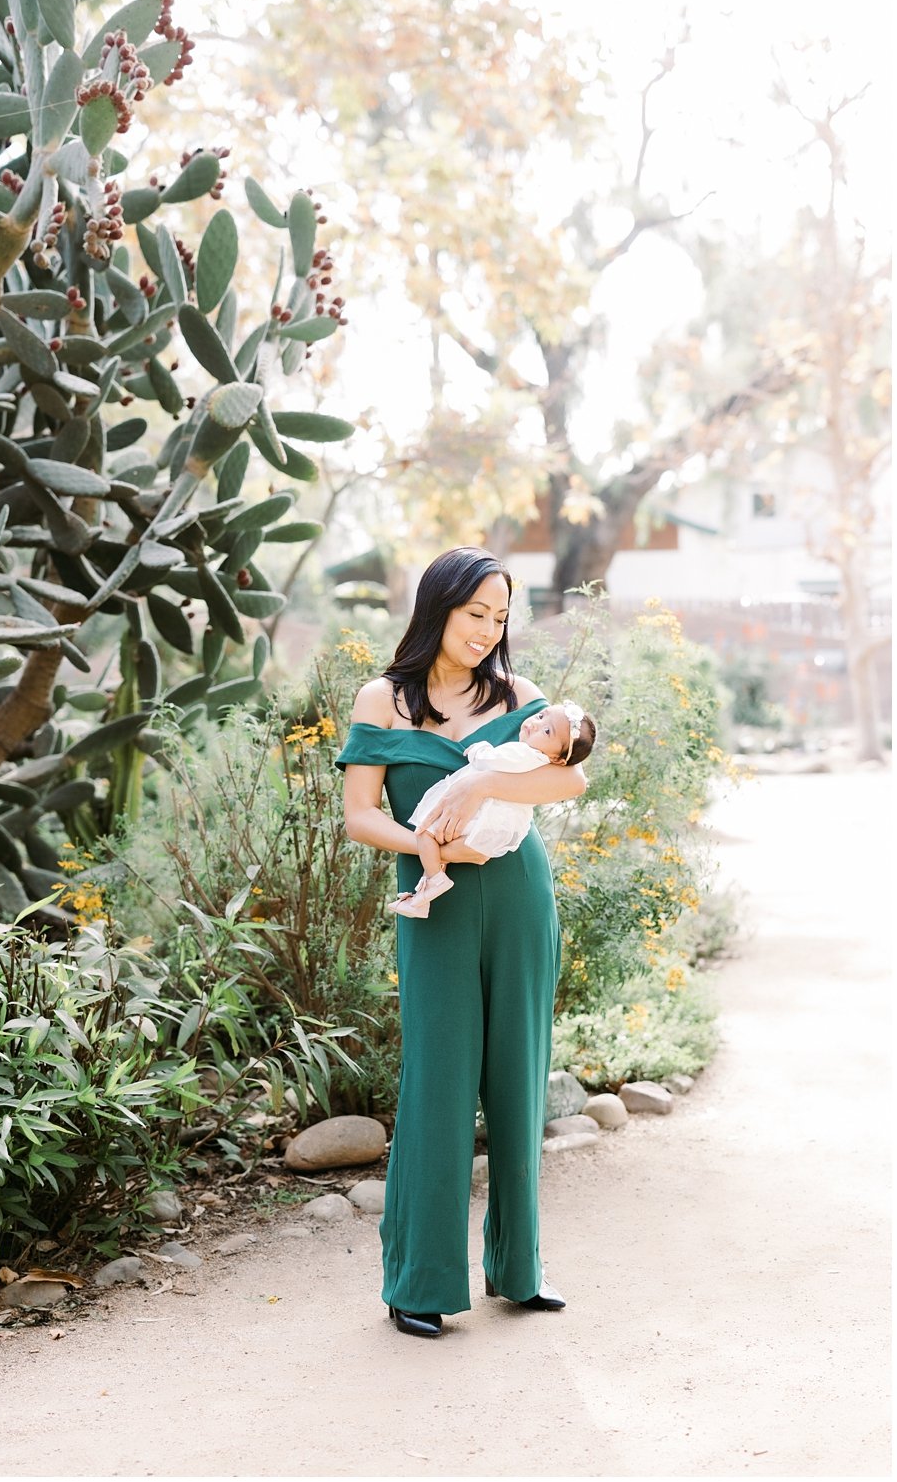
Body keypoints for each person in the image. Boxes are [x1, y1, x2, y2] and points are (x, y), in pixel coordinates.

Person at [336, 546, 588, 1339]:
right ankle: (419, 1279)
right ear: (437, 606)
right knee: (437, 1082)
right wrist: (426, 846)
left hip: (517, 898)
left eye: (500, 616)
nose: (487, 629)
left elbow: (568, 779)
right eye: (474, 612)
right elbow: (358, 814)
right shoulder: (382, 697)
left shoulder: (519, 695)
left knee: (517, 1076)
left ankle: (519, 1269)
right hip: (432, 902)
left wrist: (481, 781)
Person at [388, 700, 596, 918]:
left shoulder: (523, 753)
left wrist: (479, 749)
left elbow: (491, 760)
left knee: (426, 831)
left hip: (482, 817)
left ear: (557, 758)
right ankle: (423, 896)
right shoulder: (539, 761)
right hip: (492, 821)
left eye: (546, 731)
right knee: (440, 844)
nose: (535, 723)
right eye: (541, 716)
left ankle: (434, 882)